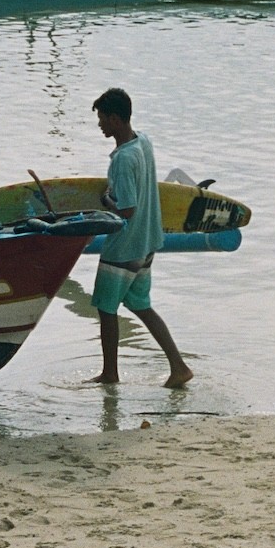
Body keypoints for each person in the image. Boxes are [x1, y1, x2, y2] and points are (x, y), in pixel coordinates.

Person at [89, 88, 192, 389]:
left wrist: (106, 200)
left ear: (116, 119)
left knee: (106, 309)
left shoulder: (122, 159)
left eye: (103, 119)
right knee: (141, 305)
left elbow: (128, 209)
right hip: (148, 241)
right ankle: (179, 366)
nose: (100, 125)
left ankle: (110, 373)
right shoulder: (143, 142)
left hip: (125, 245)